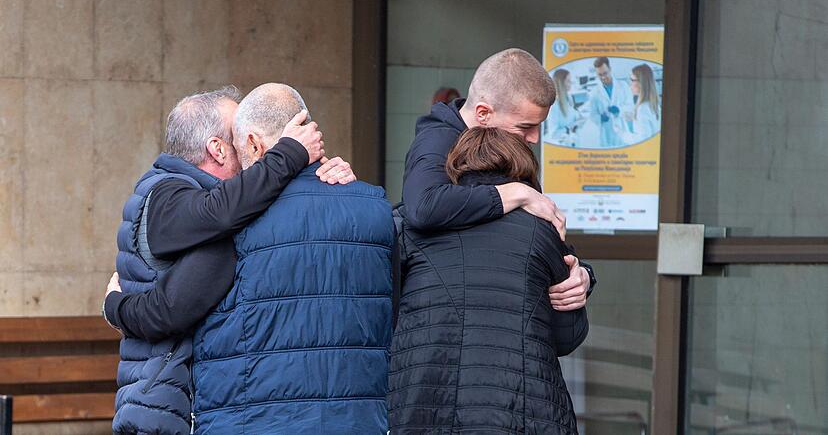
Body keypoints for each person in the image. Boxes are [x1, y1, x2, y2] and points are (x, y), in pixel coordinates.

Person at [102, 86, 354, 434]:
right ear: (218, 149)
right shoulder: (168, 195)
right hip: (166, 409)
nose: (247, 145)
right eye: (238, 136)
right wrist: (290, 153)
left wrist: (328, 182)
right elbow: (219, 214)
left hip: (170, 402)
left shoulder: (184, 193)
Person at [191, 84, 394, 434]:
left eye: (240, 152)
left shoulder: (233, 217)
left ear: (254, 144)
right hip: (356, 421)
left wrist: (120, 305)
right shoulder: (375, 207)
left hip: (249, 420)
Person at [389, 127, 588, 433]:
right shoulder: (541, 231)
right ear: (522, 169)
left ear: (455, 166)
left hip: (425, 404)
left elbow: (385, 316)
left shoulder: (411, 227)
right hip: (525, 409)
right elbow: (567, 336)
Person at [402, 48, 595, 314]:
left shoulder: (508, 148)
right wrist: (519, 193)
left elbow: (539, 235)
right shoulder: (436, 140)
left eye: (539, 126)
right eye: (525, 127)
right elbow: (423, 207)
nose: (535, 139)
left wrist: (582, 275)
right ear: (483, 113)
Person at [584, 56, 634, 148]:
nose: (603, 77)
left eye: (605, 73)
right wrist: (600, 118)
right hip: (605, 134)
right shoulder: (594, 93)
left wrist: (619, 110)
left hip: (623, 132)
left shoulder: (623, 86)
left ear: (610, 69)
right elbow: (592, 115)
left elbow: (631, 107)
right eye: (600, 74)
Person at [615, 63, 661, 144]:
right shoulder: (654, 104)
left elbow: (642, 141)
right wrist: (634, 117)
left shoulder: (642, 109)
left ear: (641, 83)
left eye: (632, 80)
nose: (630, 84)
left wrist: (621, 133)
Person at [543, 68, 582, 147]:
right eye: (568, 81)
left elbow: (572, 114)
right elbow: (553, 134)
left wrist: (580, 117)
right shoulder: (554, 105)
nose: (571, 83)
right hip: (562, 144)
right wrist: (568, 128)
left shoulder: (569, 97)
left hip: (572, 139)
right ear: (561, 83)